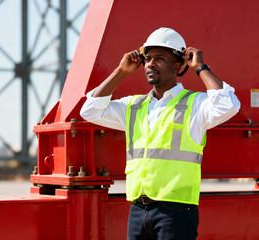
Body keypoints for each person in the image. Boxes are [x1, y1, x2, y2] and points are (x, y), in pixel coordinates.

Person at [80, 27, 240, 240]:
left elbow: (228, 104)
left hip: (177, 212)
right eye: (147, 58)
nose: (150, 63)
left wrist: (201, 67)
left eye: (159, 58)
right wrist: (121, 71)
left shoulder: (195, 105)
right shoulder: (133, 106)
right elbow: (89, 111)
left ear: (177, 66)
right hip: (138, 210)